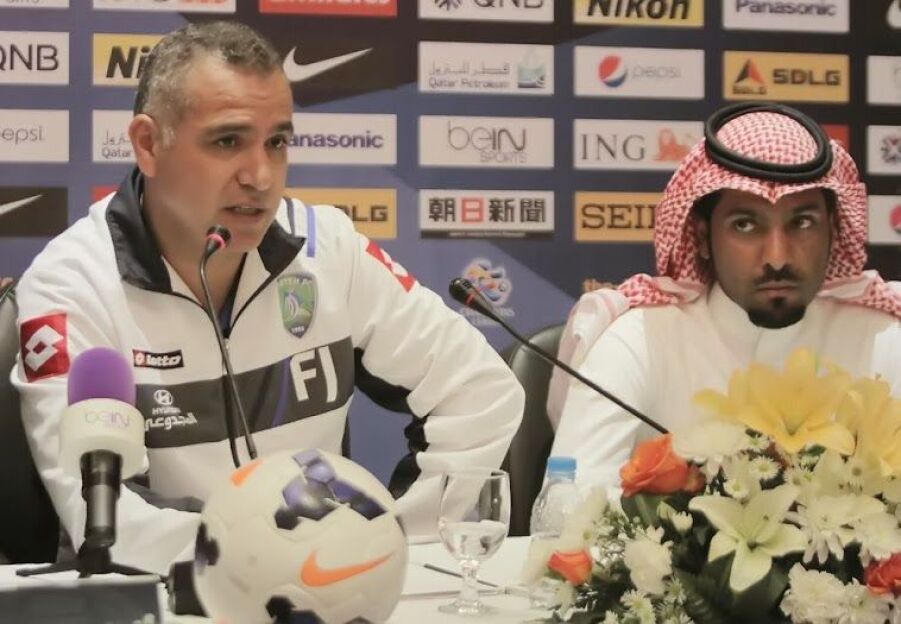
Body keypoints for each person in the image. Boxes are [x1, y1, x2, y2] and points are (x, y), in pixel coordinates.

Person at [12, 21, 524, 575]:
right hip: (162, 597)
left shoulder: (329, 250)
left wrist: (389, 539)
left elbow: (481, 393)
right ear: (148, 145)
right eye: (227, 142)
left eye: (277, 142)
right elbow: (106, 521)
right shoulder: (73, 284)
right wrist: (280, 559)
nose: (260, 176)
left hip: (324, 591)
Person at [548, 102, 901, 492]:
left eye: (802, 222)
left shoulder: (882, 340)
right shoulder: (641, 340)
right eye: (745, 225)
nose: (777, 257)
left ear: (833, 229)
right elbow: (566, 505)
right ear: (702, 237)